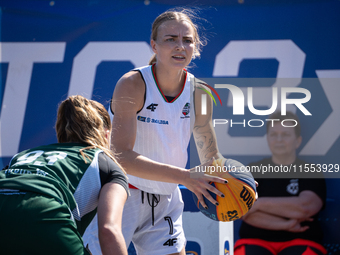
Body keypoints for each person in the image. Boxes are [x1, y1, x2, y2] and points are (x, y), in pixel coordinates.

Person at [83, 8, 230, 255]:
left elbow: (210, 157)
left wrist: (235, 181)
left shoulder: (200, 92)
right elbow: (120, 157)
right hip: (119, 191)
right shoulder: (132, 83)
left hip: (165, 197)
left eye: (187, 40)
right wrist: (185, 177)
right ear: (154, 45)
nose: (180, 46)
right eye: (170, 39)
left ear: (196, 47)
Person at [0, 95, 129, 255]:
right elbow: (109, 230)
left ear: (60, 130)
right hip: (44, 209)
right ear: (105, 134)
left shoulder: (24, 154)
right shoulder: (102, 161)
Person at [234, 111, 327, 255]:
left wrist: (258, 204)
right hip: (254, 241)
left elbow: (304, 207)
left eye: (285, 135)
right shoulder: (252, 170)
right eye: (273, 134)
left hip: (301, 241)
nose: (278, 140)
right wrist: (286, 224)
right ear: (268, 139)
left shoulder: (310, 170)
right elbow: (242, 211)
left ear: (298, 141)